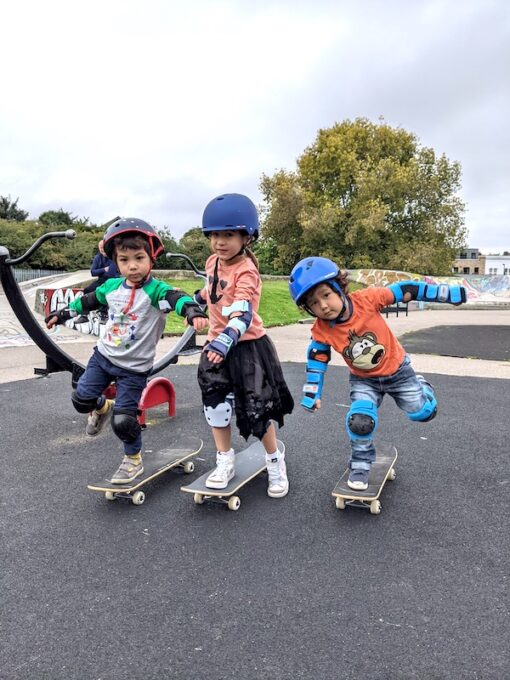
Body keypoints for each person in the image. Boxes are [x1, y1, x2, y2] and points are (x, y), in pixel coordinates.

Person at [46, 218, 208, 484]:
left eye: (139, 257)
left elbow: (176, 297)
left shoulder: (157, 290)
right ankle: (101, 407)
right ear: (115, 262)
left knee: (124, 421)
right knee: (81, 400)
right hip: (103, 357)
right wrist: (63, 313)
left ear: (151, 258)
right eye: (124, 260)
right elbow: (87, 301)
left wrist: (191, 310)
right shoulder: (111, 287)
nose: (132, 266)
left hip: (134, 368)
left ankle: (133, 460)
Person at [289, 257, 467, 490]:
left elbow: (406, 290)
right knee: (360, 422)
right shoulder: (321, 330)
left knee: (424, 413)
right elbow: (317, 361)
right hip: (364, 381)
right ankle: (360, 466)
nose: (322, 306)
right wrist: (312, 393)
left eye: (326, 295)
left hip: (399, 372)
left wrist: (444, 293)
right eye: (313, 303)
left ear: (339, 288)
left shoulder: (367, 300)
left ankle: (423, 389)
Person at [195, 193, 294, 498]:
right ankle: (225, 460)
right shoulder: (213, 262)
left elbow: (243, 310)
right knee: (216, 407)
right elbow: (212, 291)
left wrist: (227, 337)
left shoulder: (247, 270)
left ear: (246, 236)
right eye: (214, 235)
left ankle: (275, 460)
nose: (219, 242)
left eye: (228, 235)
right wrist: (194, 303)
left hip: (247, 347)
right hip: (216, 345)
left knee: (256, 410)